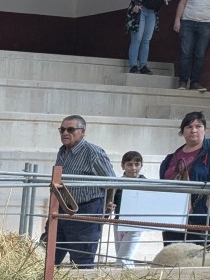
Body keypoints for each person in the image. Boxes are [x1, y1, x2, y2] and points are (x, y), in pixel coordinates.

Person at [158, 111, 210, 245]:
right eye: (189, 127)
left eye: (198, 126)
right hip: (174, 217)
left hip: (203, 218)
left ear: (205, 129)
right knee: (171, 257)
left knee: (196, 259)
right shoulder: (171, 158)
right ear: (182, 131)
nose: (193, 130)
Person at [52, 115, 116, 268]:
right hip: (61, 210)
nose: (65, 133)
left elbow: (112, 181)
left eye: (71, 129)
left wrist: (107, 206)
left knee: (82, 260)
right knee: (48, 252)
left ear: (82, 132)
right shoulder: (62, 152)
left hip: (86, 211)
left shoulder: (93, 152)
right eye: (62, 130)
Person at [126, 0, 168, 75]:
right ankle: (134, 65)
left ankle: (143, 65)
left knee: (146, 39)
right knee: (137, 38)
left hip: (152, 11)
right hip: (141, 9)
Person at [106, 151, 146, 268]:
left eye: (137, 164)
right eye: (129, 164)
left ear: (141, 166)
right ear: (122, 166)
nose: (133, 168)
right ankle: (127, 278)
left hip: (136, 224)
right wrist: (110, 204)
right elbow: (110, 200)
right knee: (122, 255)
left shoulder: (146, 182)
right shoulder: (117, 182)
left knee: (123, 258)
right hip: (119, 222)